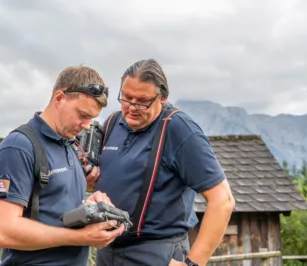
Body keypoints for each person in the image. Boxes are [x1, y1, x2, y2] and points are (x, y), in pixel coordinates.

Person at [89, 59, 235, 266]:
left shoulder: (179, 128)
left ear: (162, 97)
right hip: (108, 250)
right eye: (126, 98)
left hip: (157, 252)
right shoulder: (112, 123)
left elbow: (223, 200)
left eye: (142, 101)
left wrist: (192, 264)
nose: (131, 107)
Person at [0, 66, 125, 266]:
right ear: (59, 98)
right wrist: (81, 238)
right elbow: (3, 232)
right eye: (82, 115)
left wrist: (91, 207)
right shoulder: (19, 147)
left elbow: (55, 210)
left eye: (92, 119)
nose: (87, 125)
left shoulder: (69, 145)